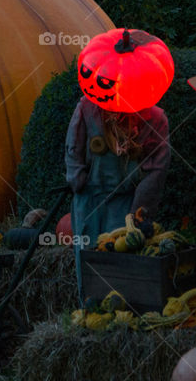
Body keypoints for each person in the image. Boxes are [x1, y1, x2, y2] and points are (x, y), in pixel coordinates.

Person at [65, 28, 173, 302]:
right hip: (89, 199)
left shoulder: (154, 119)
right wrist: (76, 177)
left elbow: (157, 169)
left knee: (121, 257)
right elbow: (74, 145)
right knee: (88, 257)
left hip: (126, 203)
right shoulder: (88, 109)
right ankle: (89, 306)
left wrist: (140, 210)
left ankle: (121, 309)